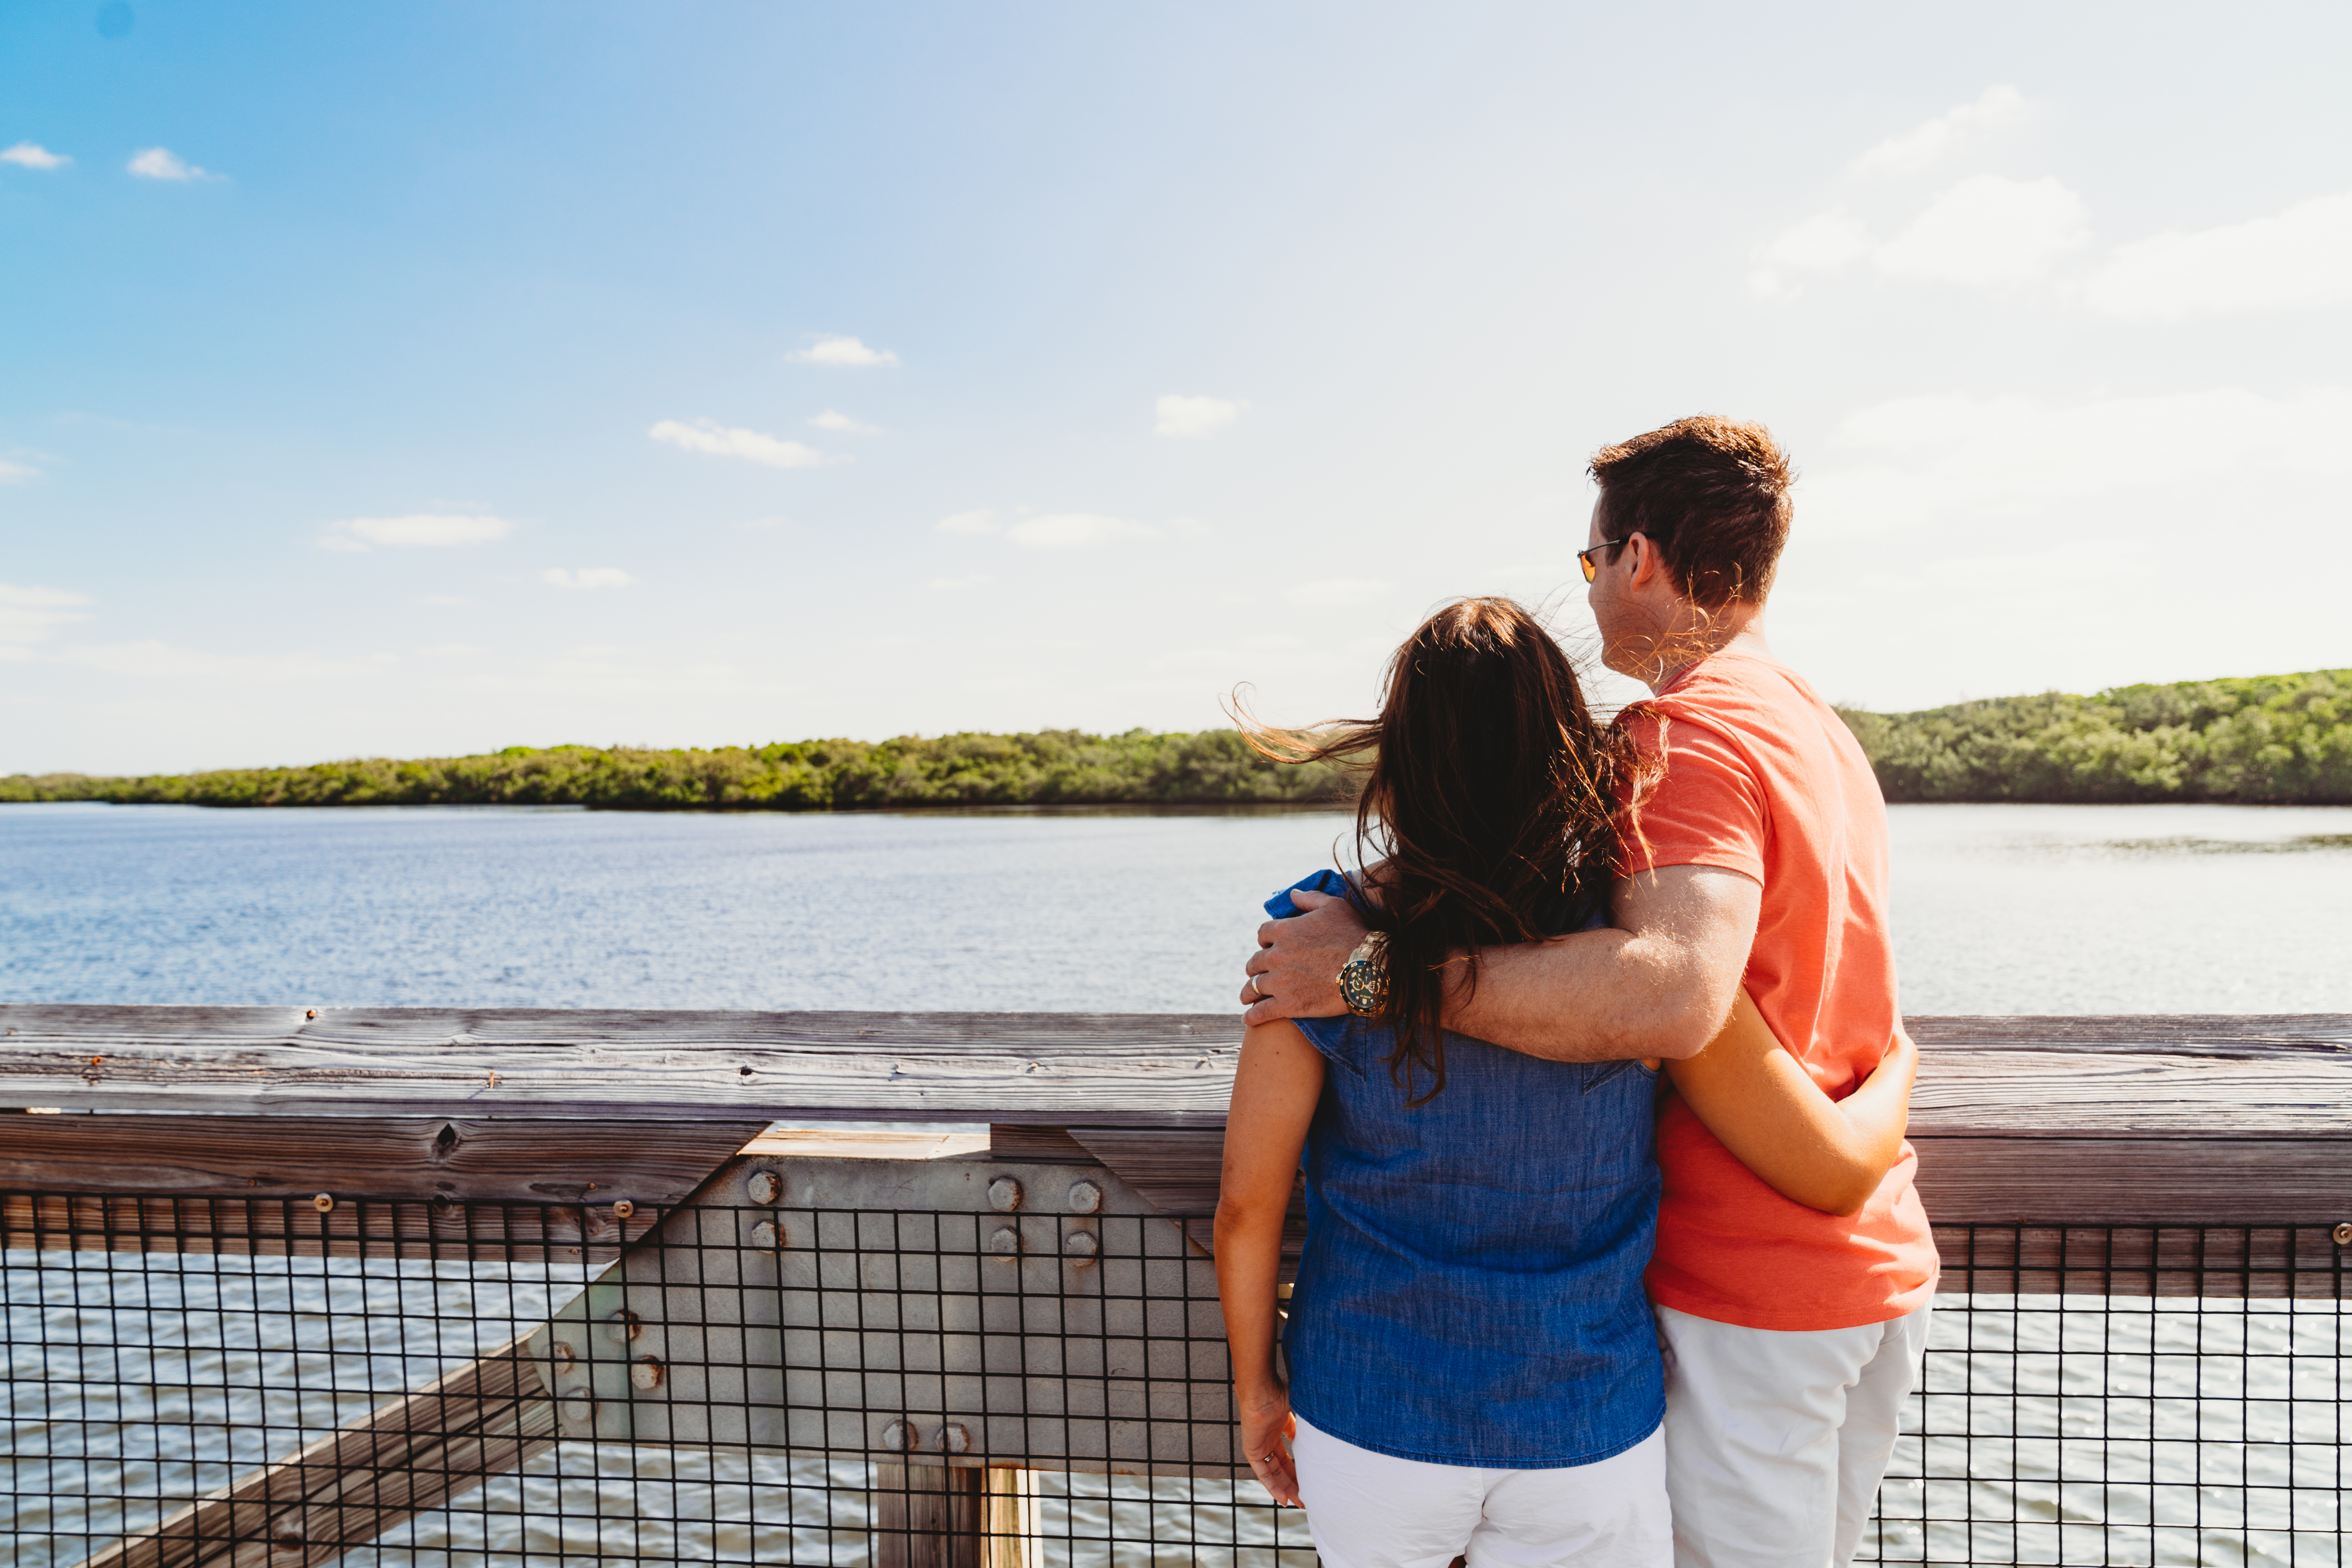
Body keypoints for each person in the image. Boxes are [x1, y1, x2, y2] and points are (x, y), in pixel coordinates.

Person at [1239, 417, 1938, 1568]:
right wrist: (1878, 1116)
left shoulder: (1684, 736)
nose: (1594, 588)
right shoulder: (1813, 726)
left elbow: (1670, 998)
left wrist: (1372, 972)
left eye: (1592, 561)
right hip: (1857, 1270)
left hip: (1748, 1292)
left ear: (1640, 561)